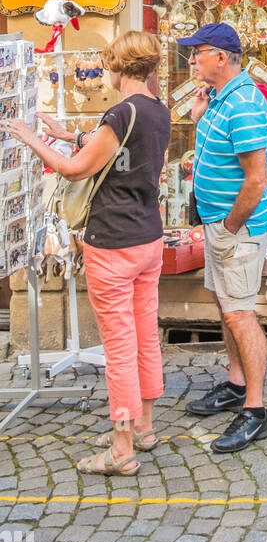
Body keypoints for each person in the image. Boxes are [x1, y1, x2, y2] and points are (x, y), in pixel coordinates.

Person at [0, 31, 170, 477]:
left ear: (117, 68)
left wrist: (29, 137)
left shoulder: (119, 113)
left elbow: (75, 169)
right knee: (144, 335)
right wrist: (69, 133)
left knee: (117, 345)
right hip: (148, 239)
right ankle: (145, 426)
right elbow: (123, 155)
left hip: (112, 241)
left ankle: (120, 448)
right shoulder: (157, 111)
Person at [179, 23, 267, 453]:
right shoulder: (220, 97)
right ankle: (236, 384)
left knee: (240, 314)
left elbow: (257, 179)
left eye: (197, 52)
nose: (191, 60)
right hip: (218, 224)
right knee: (225, 305)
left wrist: (231, 230)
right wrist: (200, 116)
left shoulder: (245, 103)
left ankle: (255, 411)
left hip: (237, 228)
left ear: (221, 57)